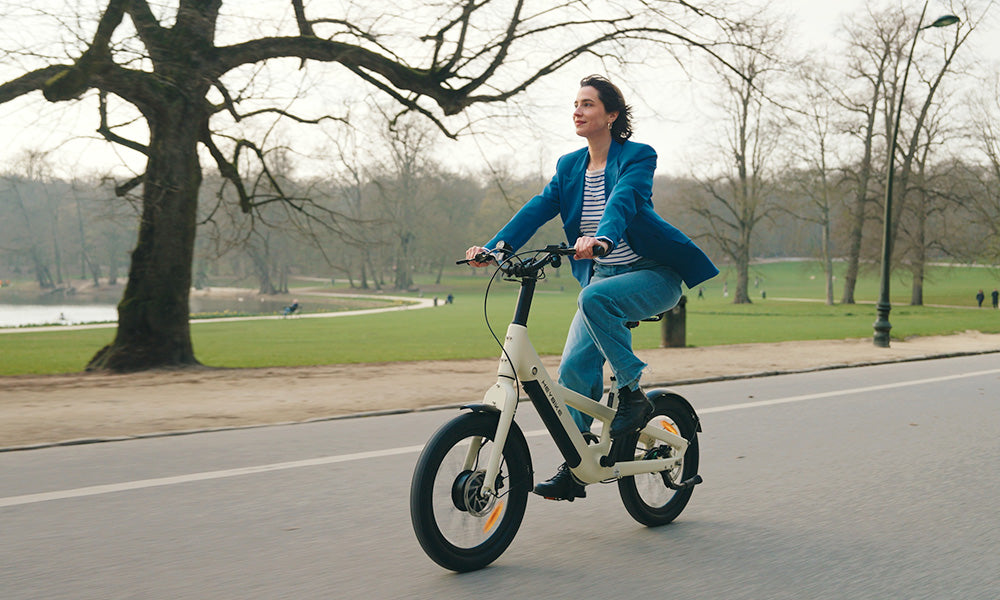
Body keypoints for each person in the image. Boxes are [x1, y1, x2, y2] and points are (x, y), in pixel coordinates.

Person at [465, 75, 718, 501]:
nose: (577, 111)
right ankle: (578, 463)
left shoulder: (637, 156)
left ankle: (632, 391)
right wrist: (495, 249)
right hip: (602, 279)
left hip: (653, 273)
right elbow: (537, 208)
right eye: (575, 104)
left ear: (611, 114)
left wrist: (602, 239)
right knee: (571, 371)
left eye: (588, 104)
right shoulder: (569, 166)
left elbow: (624, 200)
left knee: (594, 298)